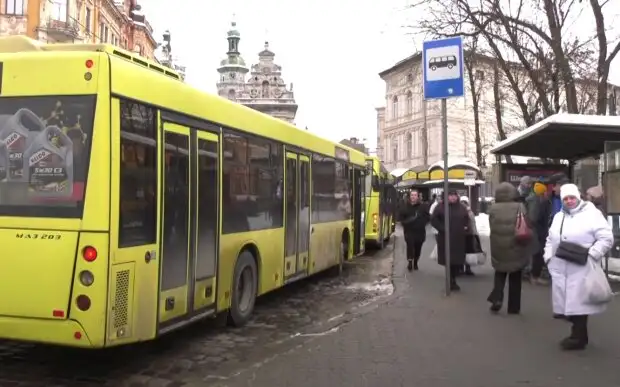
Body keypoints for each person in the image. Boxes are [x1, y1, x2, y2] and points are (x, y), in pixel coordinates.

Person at [544, 183, 613, 350]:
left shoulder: (591, 214)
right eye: (565, 198)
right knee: (568, 303)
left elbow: (606, 238)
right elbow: (550, 238)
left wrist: (592, 254)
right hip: (561, 266)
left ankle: (578, 337)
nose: (569, 201)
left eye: (572, 197)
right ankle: (580, 335)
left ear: (578, 197)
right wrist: (548, 256)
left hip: (581, 266)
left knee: (579, 302)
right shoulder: (559, 216)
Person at [487, 182, 535, 314]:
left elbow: (491, 225)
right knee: (515, 276)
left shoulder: (493, 208)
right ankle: (513, 307)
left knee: (500, 273)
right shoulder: (520, 206)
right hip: (516, 245)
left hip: (498, 245)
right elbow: (527, 223)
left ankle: (497, 298)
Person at [431, 190, 470, 291]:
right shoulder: (440, 207)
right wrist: (443, 228)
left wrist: (466, 227)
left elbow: (467, 218)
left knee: (457, 262)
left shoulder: (461, 207)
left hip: (459, 239)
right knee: (448, 261)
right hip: (445, 238)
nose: (453, 198)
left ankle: (453, 278)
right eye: (450, 195)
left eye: (454, 196)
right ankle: (451, 280)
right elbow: (434, 220)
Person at [399, 190, 430, 271]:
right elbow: (401, 218)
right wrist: (405, 223)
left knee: (418, 248)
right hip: (409, 231)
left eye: (415, 195)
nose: (413, 197)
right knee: (410, 246)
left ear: (418, 196)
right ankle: (409, 262)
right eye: (412, 195)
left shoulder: (423, 206)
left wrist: (422, 223)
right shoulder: (405, 206)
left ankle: (415, 262)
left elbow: (427, 217)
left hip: (420, 231)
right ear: (409, 196)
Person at [530, 181, 551, 285]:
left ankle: (535, 275)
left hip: (537, 232)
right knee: (538, 254)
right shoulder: (540, 203)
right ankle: (535, 276)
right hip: (539, 233)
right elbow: (537, 218)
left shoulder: (535, 201)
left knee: (537, 254)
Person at [460, 196, 477, 276]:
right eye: (462, 202)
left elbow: (473, 224)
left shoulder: (470, 212)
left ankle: (467, 268)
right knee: (460, 252)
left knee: (468, 252)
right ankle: (460, 268)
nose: (463, 204)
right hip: (461, 235)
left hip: (469, 235)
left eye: (465, 202)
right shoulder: (459, 211)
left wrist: (475, 234)